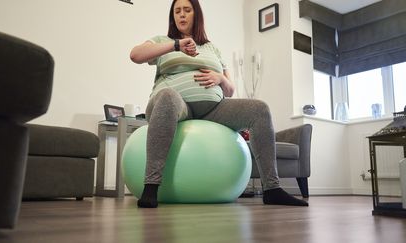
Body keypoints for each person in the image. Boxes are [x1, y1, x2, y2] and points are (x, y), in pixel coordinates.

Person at [130, 0, 308, 208]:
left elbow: (230, 90)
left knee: (259, 109)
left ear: (196, 15)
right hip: (175, 105)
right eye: (177, 11)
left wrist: (220, 78)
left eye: (187, 10)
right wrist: (176, 45)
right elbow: (135, 55)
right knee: (167, 95)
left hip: (213, 108)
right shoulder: (162, 40)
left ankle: (272, 189)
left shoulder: (212, 48)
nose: (182, 15)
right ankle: (151, 187)